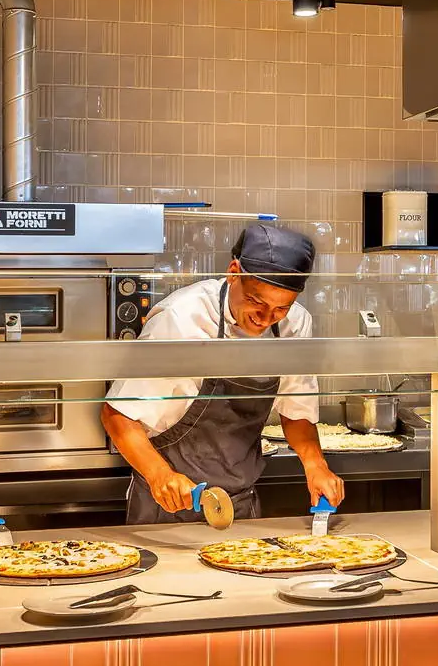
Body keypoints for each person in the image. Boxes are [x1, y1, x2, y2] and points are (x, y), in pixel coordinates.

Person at [103, 222, 344, 523]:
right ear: (233, 272)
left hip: (241, 504)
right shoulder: (181, 319)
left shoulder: (295, 324)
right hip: (168, 505)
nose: (264, 318)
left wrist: (315, 463)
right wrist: (159, 475)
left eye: (280, 308)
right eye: (256, 301)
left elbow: (296, 412)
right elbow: (117, 416)